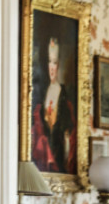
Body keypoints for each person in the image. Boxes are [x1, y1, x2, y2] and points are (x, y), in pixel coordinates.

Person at [32, 36, 76, 174]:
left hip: (59, 156)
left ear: (59, 65)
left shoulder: (63, 94)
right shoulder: (42, 92)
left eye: (55, 63)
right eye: (50, 62)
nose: (52, 68)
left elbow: (68, 131)